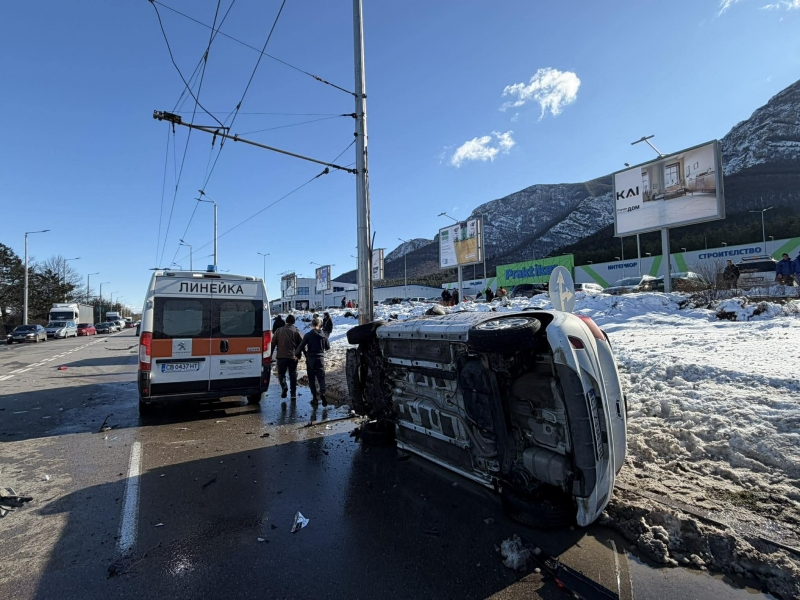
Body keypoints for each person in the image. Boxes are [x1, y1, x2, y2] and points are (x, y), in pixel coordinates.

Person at [296, 317, 331, 406]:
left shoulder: (308, 335)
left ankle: (315, 398)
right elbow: (328, 347)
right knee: (321, 377)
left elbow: (301, 346)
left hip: (310, 359)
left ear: (312, 325)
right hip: (320, 358)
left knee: (311, 379)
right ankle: (322, 392)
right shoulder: (324, 335)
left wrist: (297, 354)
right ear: (320, 325)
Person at [272, 314, 303, 402]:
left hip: (281, 357)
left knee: (281, 374)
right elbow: (302, 344)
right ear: (294, 322)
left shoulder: (278, 331)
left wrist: (269, 355)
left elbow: (273, 343)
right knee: (293, 374)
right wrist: (304, 354)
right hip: (293, 356)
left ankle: (284, 386)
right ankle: (293, 394)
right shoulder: (297, 331)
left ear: (286, 321)